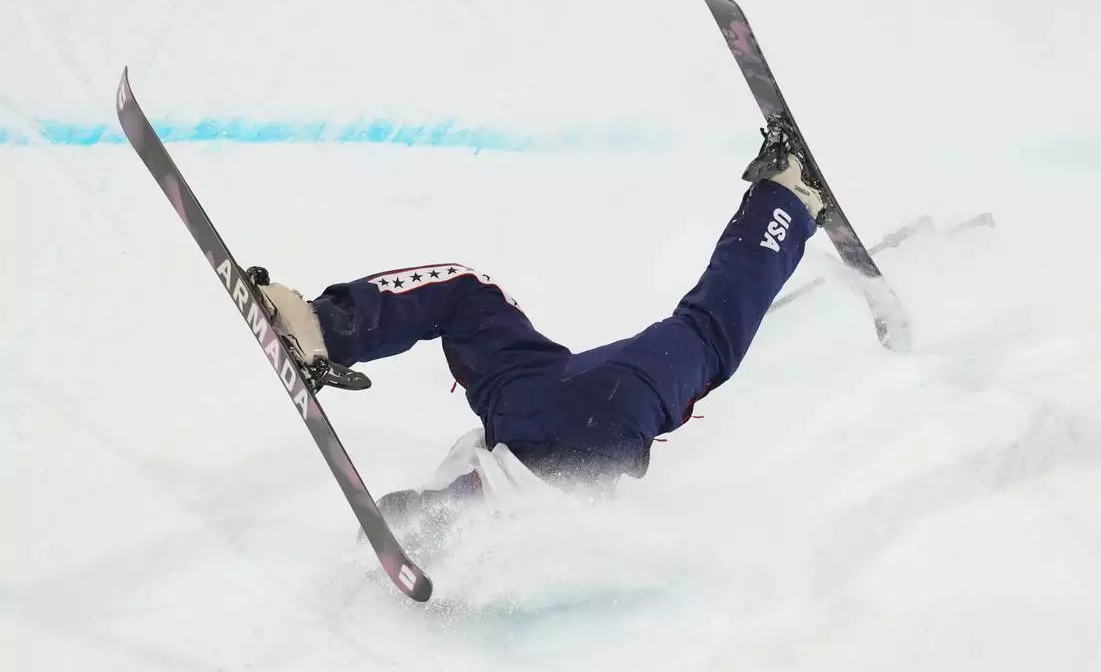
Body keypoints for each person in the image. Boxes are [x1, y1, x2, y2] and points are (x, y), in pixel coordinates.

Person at [258, 138, 827, 522]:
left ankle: (321, 330)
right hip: (580, 410)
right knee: (702, 331)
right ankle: (785, 197)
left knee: (470, 296)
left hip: (542, 396)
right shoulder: (512, 518)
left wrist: (410, 521)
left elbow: (399, 527)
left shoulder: (478, 500)